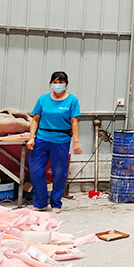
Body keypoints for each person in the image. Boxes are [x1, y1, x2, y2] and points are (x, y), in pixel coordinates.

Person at [27, 71, 82, 213]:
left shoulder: (72, 101)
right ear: (50, 83)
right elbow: (35, 119)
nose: (57, 85)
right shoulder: (43, 99)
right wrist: (31, 137)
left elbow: (74, 122)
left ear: (66, 84)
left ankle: (56, 203)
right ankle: (40, 202)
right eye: (55, 82)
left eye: (60, 82)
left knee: (59, 172)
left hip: (61, 141)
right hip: (42, 138)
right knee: (36, 170)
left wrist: (76, 141)